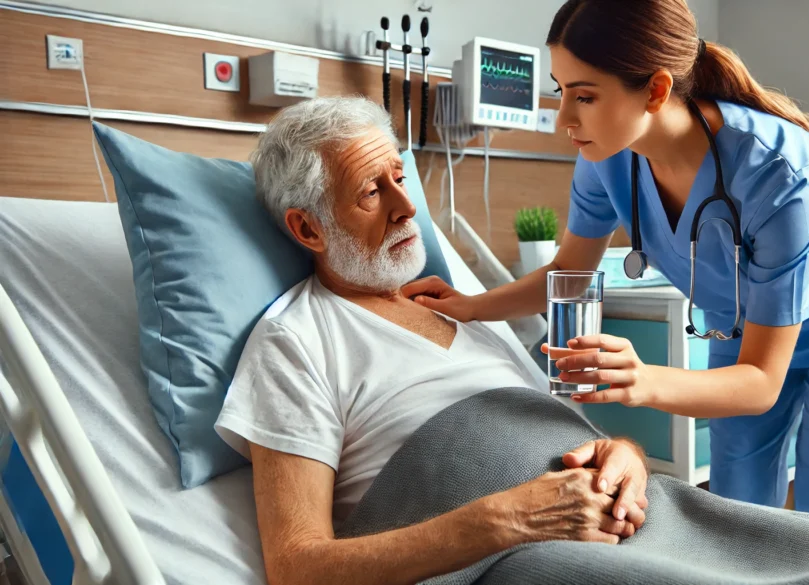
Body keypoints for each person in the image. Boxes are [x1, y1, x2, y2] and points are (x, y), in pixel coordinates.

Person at [402, 0, 809, 523]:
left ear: (655, 89)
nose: (563, 118)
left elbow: (761, 383)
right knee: (735, 510)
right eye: (561, 92)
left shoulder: (778, 172)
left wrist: (642, 378)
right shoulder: (604, 155)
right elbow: (571, 274)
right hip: (743, 324)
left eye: (584, 96)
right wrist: (470, 306)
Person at [213, 96, 650, 585]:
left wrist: (626, 456)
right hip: (534, 564)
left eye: (399, 178)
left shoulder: (461, 310)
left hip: (637, 523)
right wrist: (507, 520)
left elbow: (568, 433)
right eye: (370, 193)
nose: (407, 207)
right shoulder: (295, 341)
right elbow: (297, 567)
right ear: (308, 227)